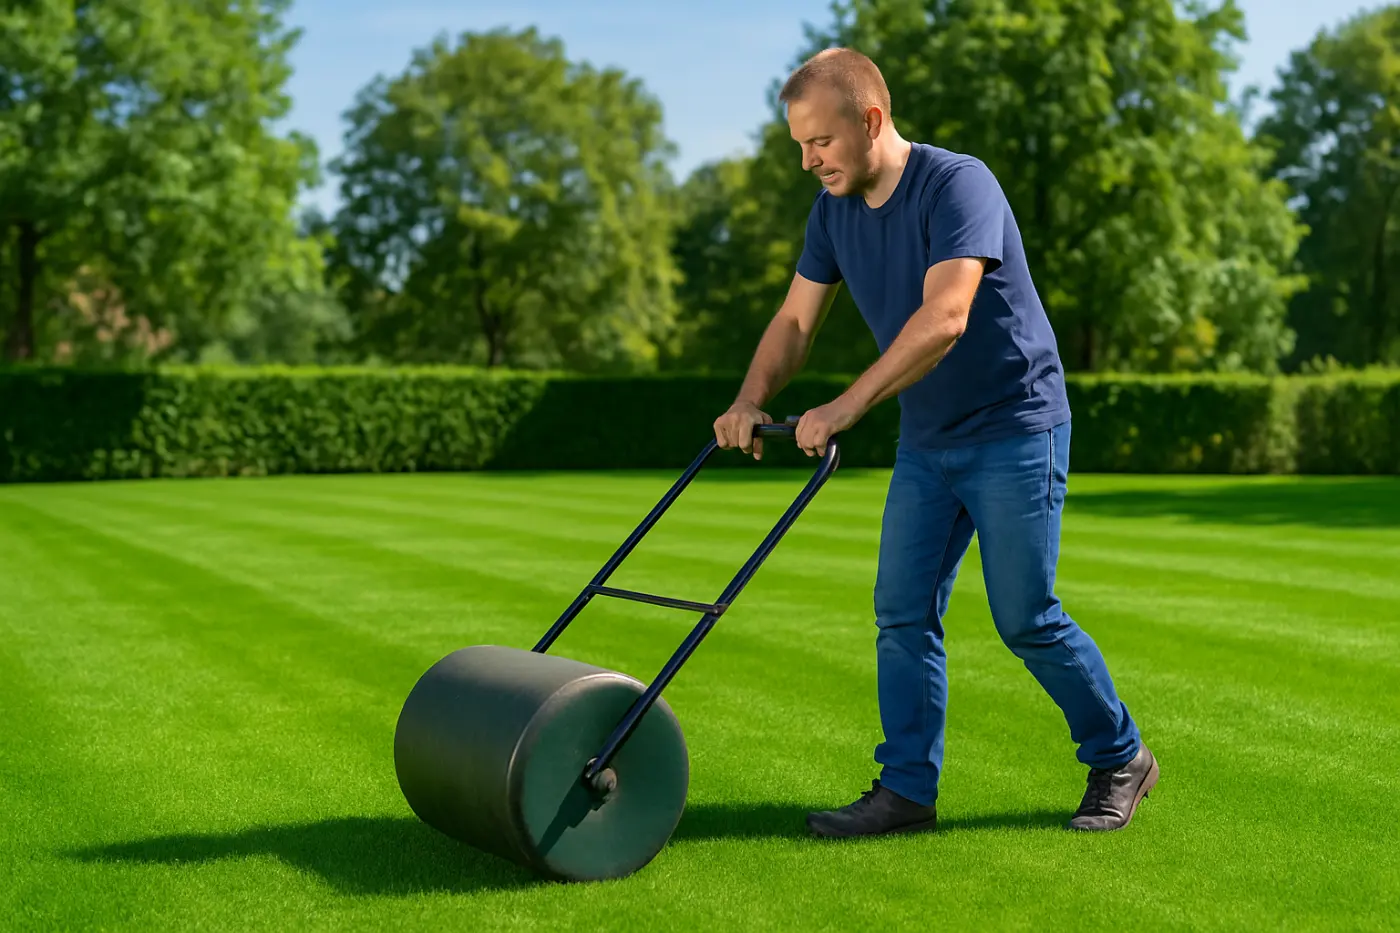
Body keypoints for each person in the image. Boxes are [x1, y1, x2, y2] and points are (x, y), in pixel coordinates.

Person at [712, 47, 1158, 837]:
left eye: (819, 142)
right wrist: (751, 398)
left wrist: (848, 404)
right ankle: (907, 788)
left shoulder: (959, 185)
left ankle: (1120, 754)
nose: (808, 161)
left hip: (1017, 425)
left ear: (871, 119)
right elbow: (794, 321)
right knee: (902, 610)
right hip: (930, 439)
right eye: (799, 146)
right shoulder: (832, 212)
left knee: (1026, 616)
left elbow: (947, 316)